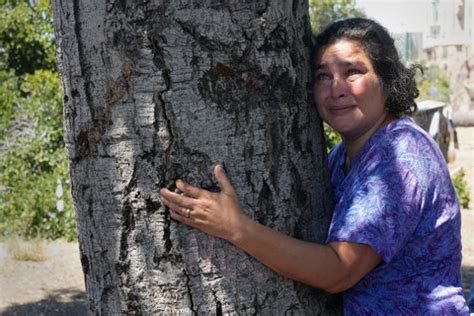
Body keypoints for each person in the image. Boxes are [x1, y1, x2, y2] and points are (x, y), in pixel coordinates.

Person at [160, 18, 469, 314]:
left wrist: (235, 227)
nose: (336, 88)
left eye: (353, 72)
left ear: (387, 82)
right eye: (323, 75)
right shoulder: (341, 157)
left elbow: (339, 272)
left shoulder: (401, 156)